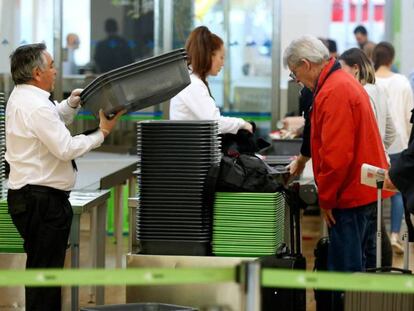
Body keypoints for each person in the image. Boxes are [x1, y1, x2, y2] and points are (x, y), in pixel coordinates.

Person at [5, 43, 124, 311]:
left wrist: (71, 104)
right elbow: (65, 148)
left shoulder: (24, 97)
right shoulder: (35, 106)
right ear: (37, 73)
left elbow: (49, 121)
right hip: (42, 201)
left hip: (32, 198)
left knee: (42, 272)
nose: (56, 71)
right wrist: (101, 133)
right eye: (51, 66)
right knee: (46, 277)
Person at [283, 35, 391, 309]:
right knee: (360, 267)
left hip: (349, 195)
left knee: (346, 272)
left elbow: (337, 156)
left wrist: (327, 199)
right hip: (362, 191)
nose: (298, 81)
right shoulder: (339, 83)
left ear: (306, 64)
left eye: (295, 74)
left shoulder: (334, 91)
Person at [338, 47, 396, 267]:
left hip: (363, 172)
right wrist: (380, 150)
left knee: (365, 239)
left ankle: (365, 293)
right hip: (379, 169)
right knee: (376, 232)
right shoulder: (378, 90)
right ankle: (379, 287)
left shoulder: (359, 93)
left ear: (355, 68)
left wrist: (371, 150)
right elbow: (391, 132)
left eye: (342, 69)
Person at [170, 26, 253, 134]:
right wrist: (242, 123)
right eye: (221, 57)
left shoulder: (193, 80)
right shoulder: (192, 84)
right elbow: (215, 122)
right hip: (189, 149)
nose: (222, 63)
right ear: (209, 56)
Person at [373, 41, 414, 254]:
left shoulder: (369, 82)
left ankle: (375, 237)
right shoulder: (402, 82)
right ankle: (396, 234)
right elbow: (410, 116)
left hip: (376, 144)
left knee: (373, 190)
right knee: (398, 191)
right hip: (399, 143)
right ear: (391, 58)